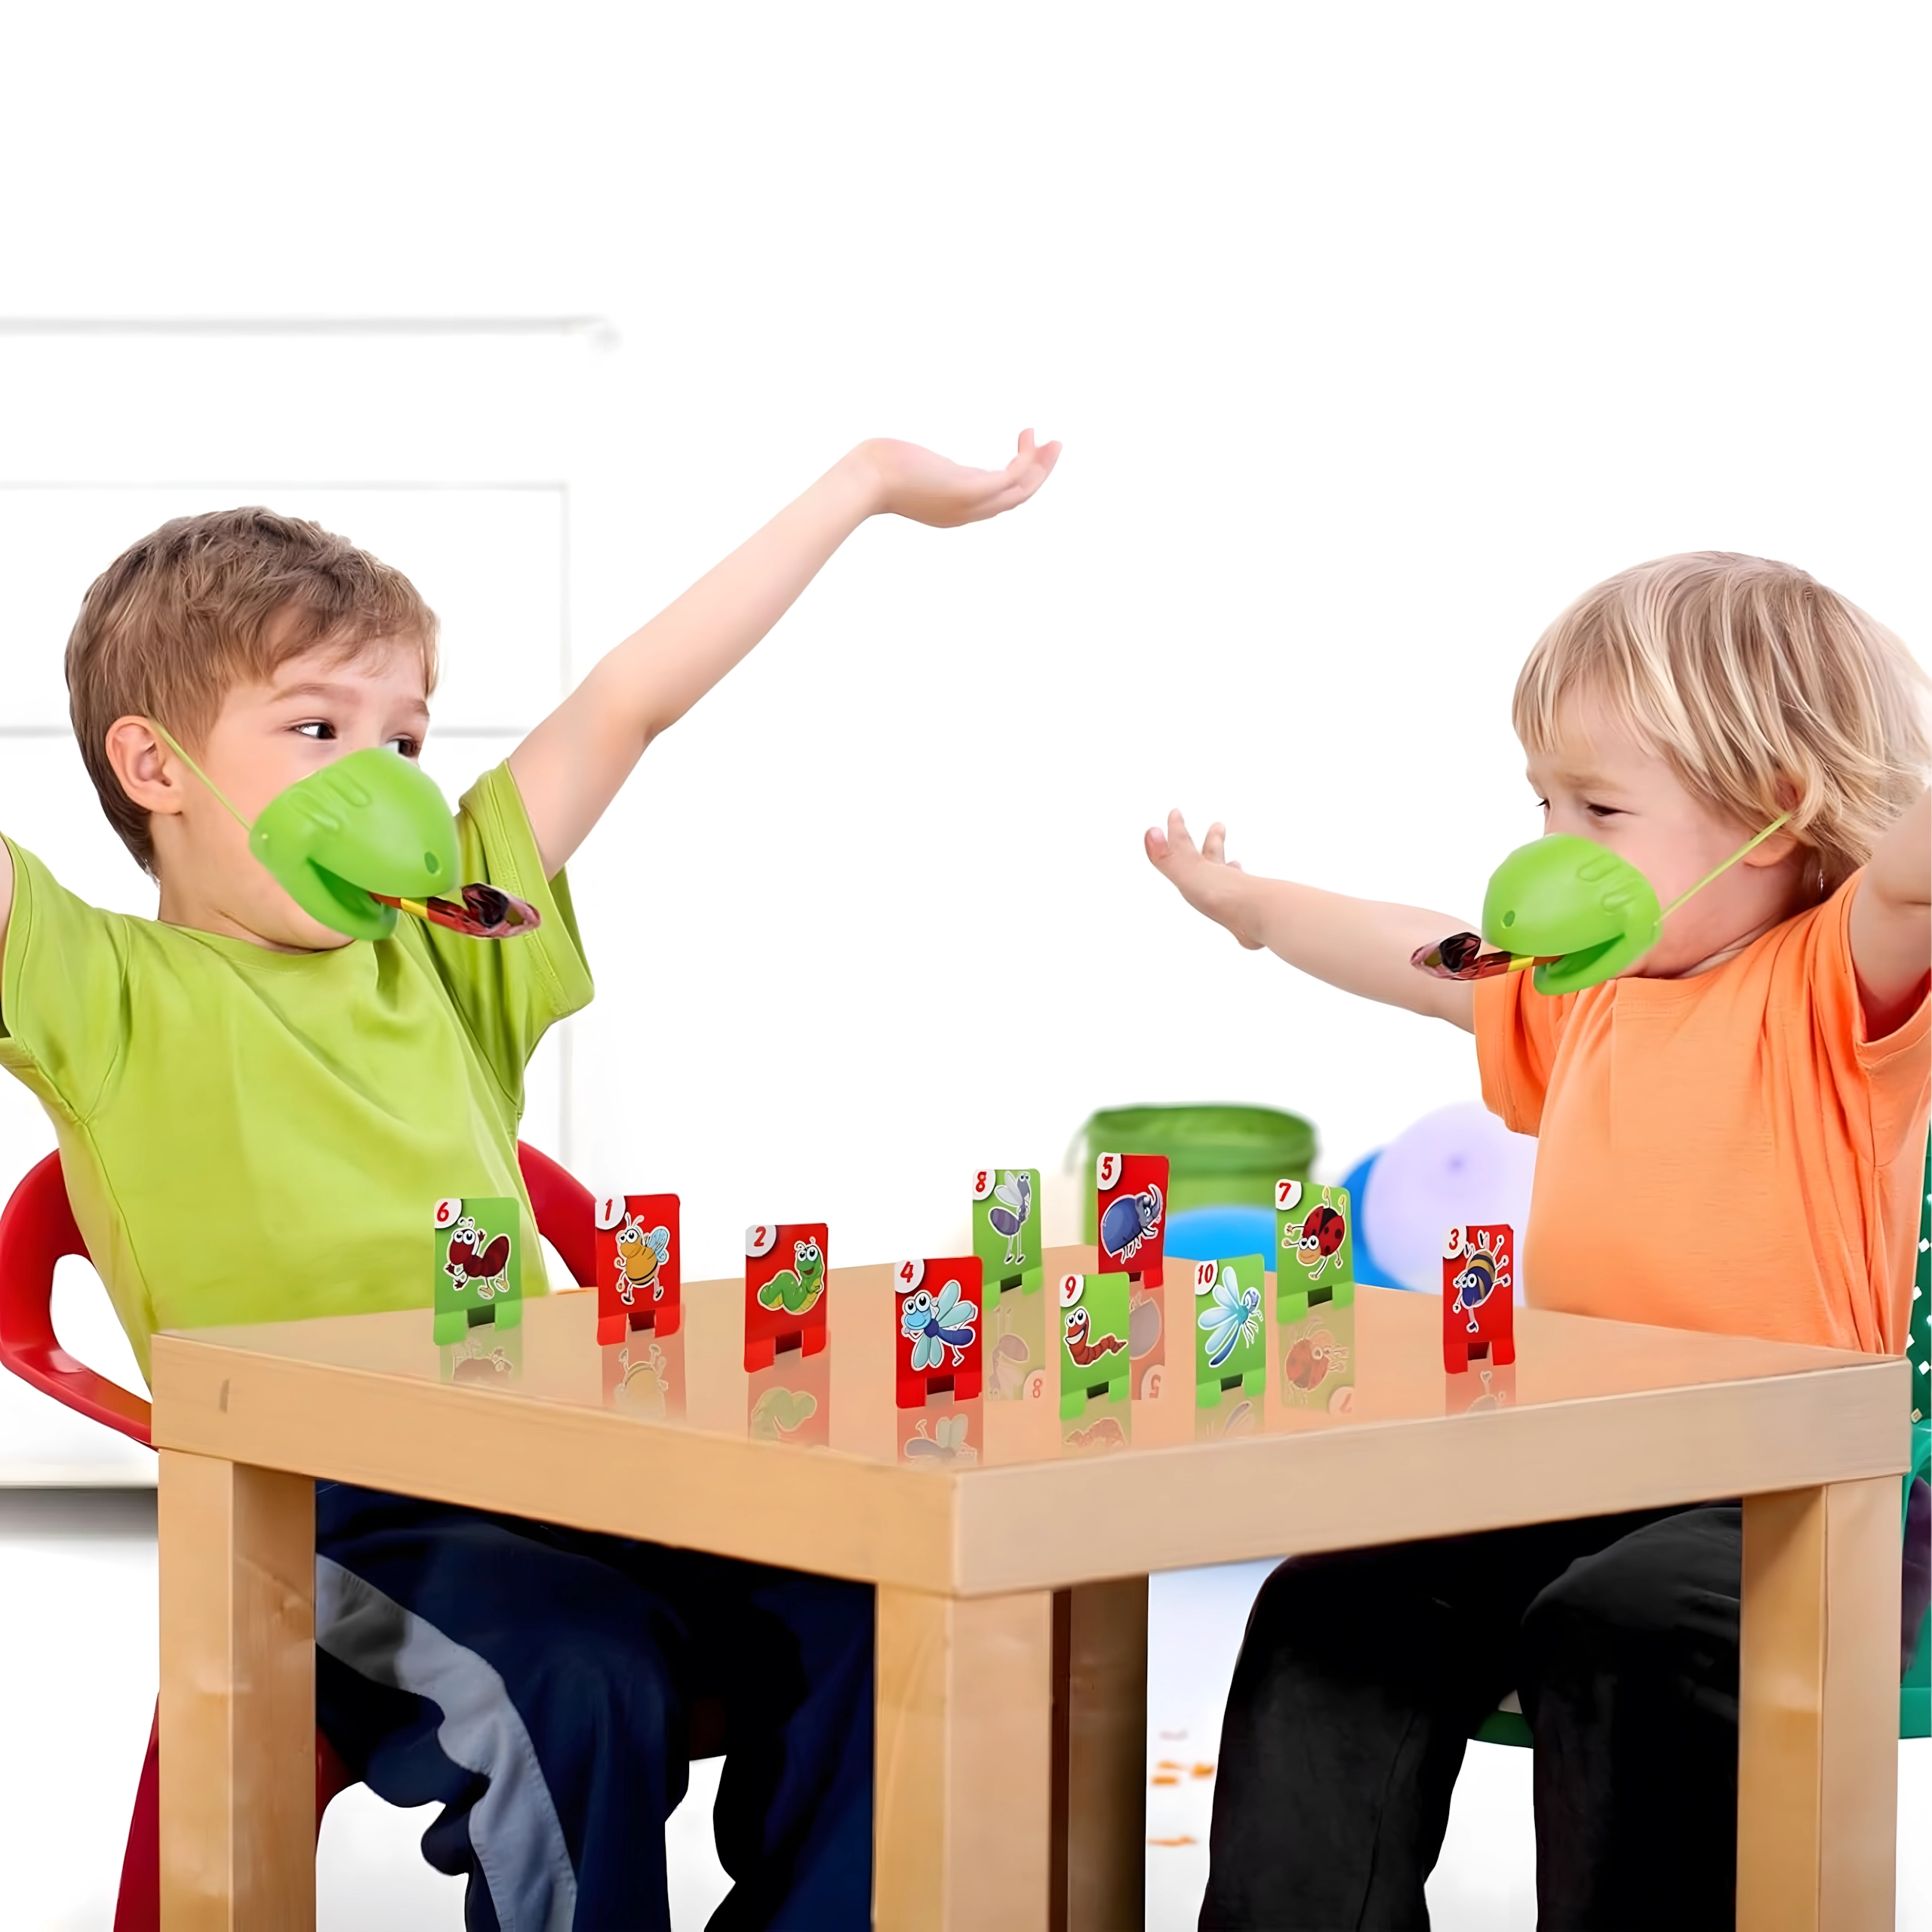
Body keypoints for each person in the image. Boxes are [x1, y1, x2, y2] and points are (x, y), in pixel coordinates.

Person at [0, 429, 1057, 1930]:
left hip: (560, 1464)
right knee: (575, 1669)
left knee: (878, 1602)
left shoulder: (448, 944)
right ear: (154, 765)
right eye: (317, 729)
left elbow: (629, 701)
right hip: (322, 1521)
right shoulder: (97, 985)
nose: (384, 784)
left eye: (404, 743)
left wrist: (864, 485)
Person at [1146, 552, 1930, 1930]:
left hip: (1797, 1500)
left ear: (1778, 810)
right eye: (1544, 804)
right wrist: (1252, 910)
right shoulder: (1583, 999)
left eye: (1601, 810)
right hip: (1577, 1474)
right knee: (1331, 1612)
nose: (1553, 847)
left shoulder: (1834, 982)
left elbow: (1912, 884)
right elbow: (1422, 951)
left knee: (1622, 1626)